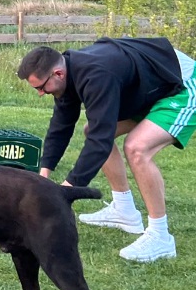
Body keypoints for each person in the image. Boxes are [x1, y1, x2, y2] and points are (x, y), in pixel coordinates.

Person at [18, 39, 196, 263]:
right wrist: (43, 176)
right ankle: (124, 211)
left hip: (181, 84)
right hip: (149, 86)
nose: (40, 93)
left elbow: (99, 142)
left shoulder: (97, 75)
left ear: (58, 74)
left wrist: (65, 191)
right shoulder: (69, 73)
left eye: (41, 87)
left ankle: (160, 236)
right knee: (91, 129)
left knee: (137, 148)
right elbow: (60, 127)